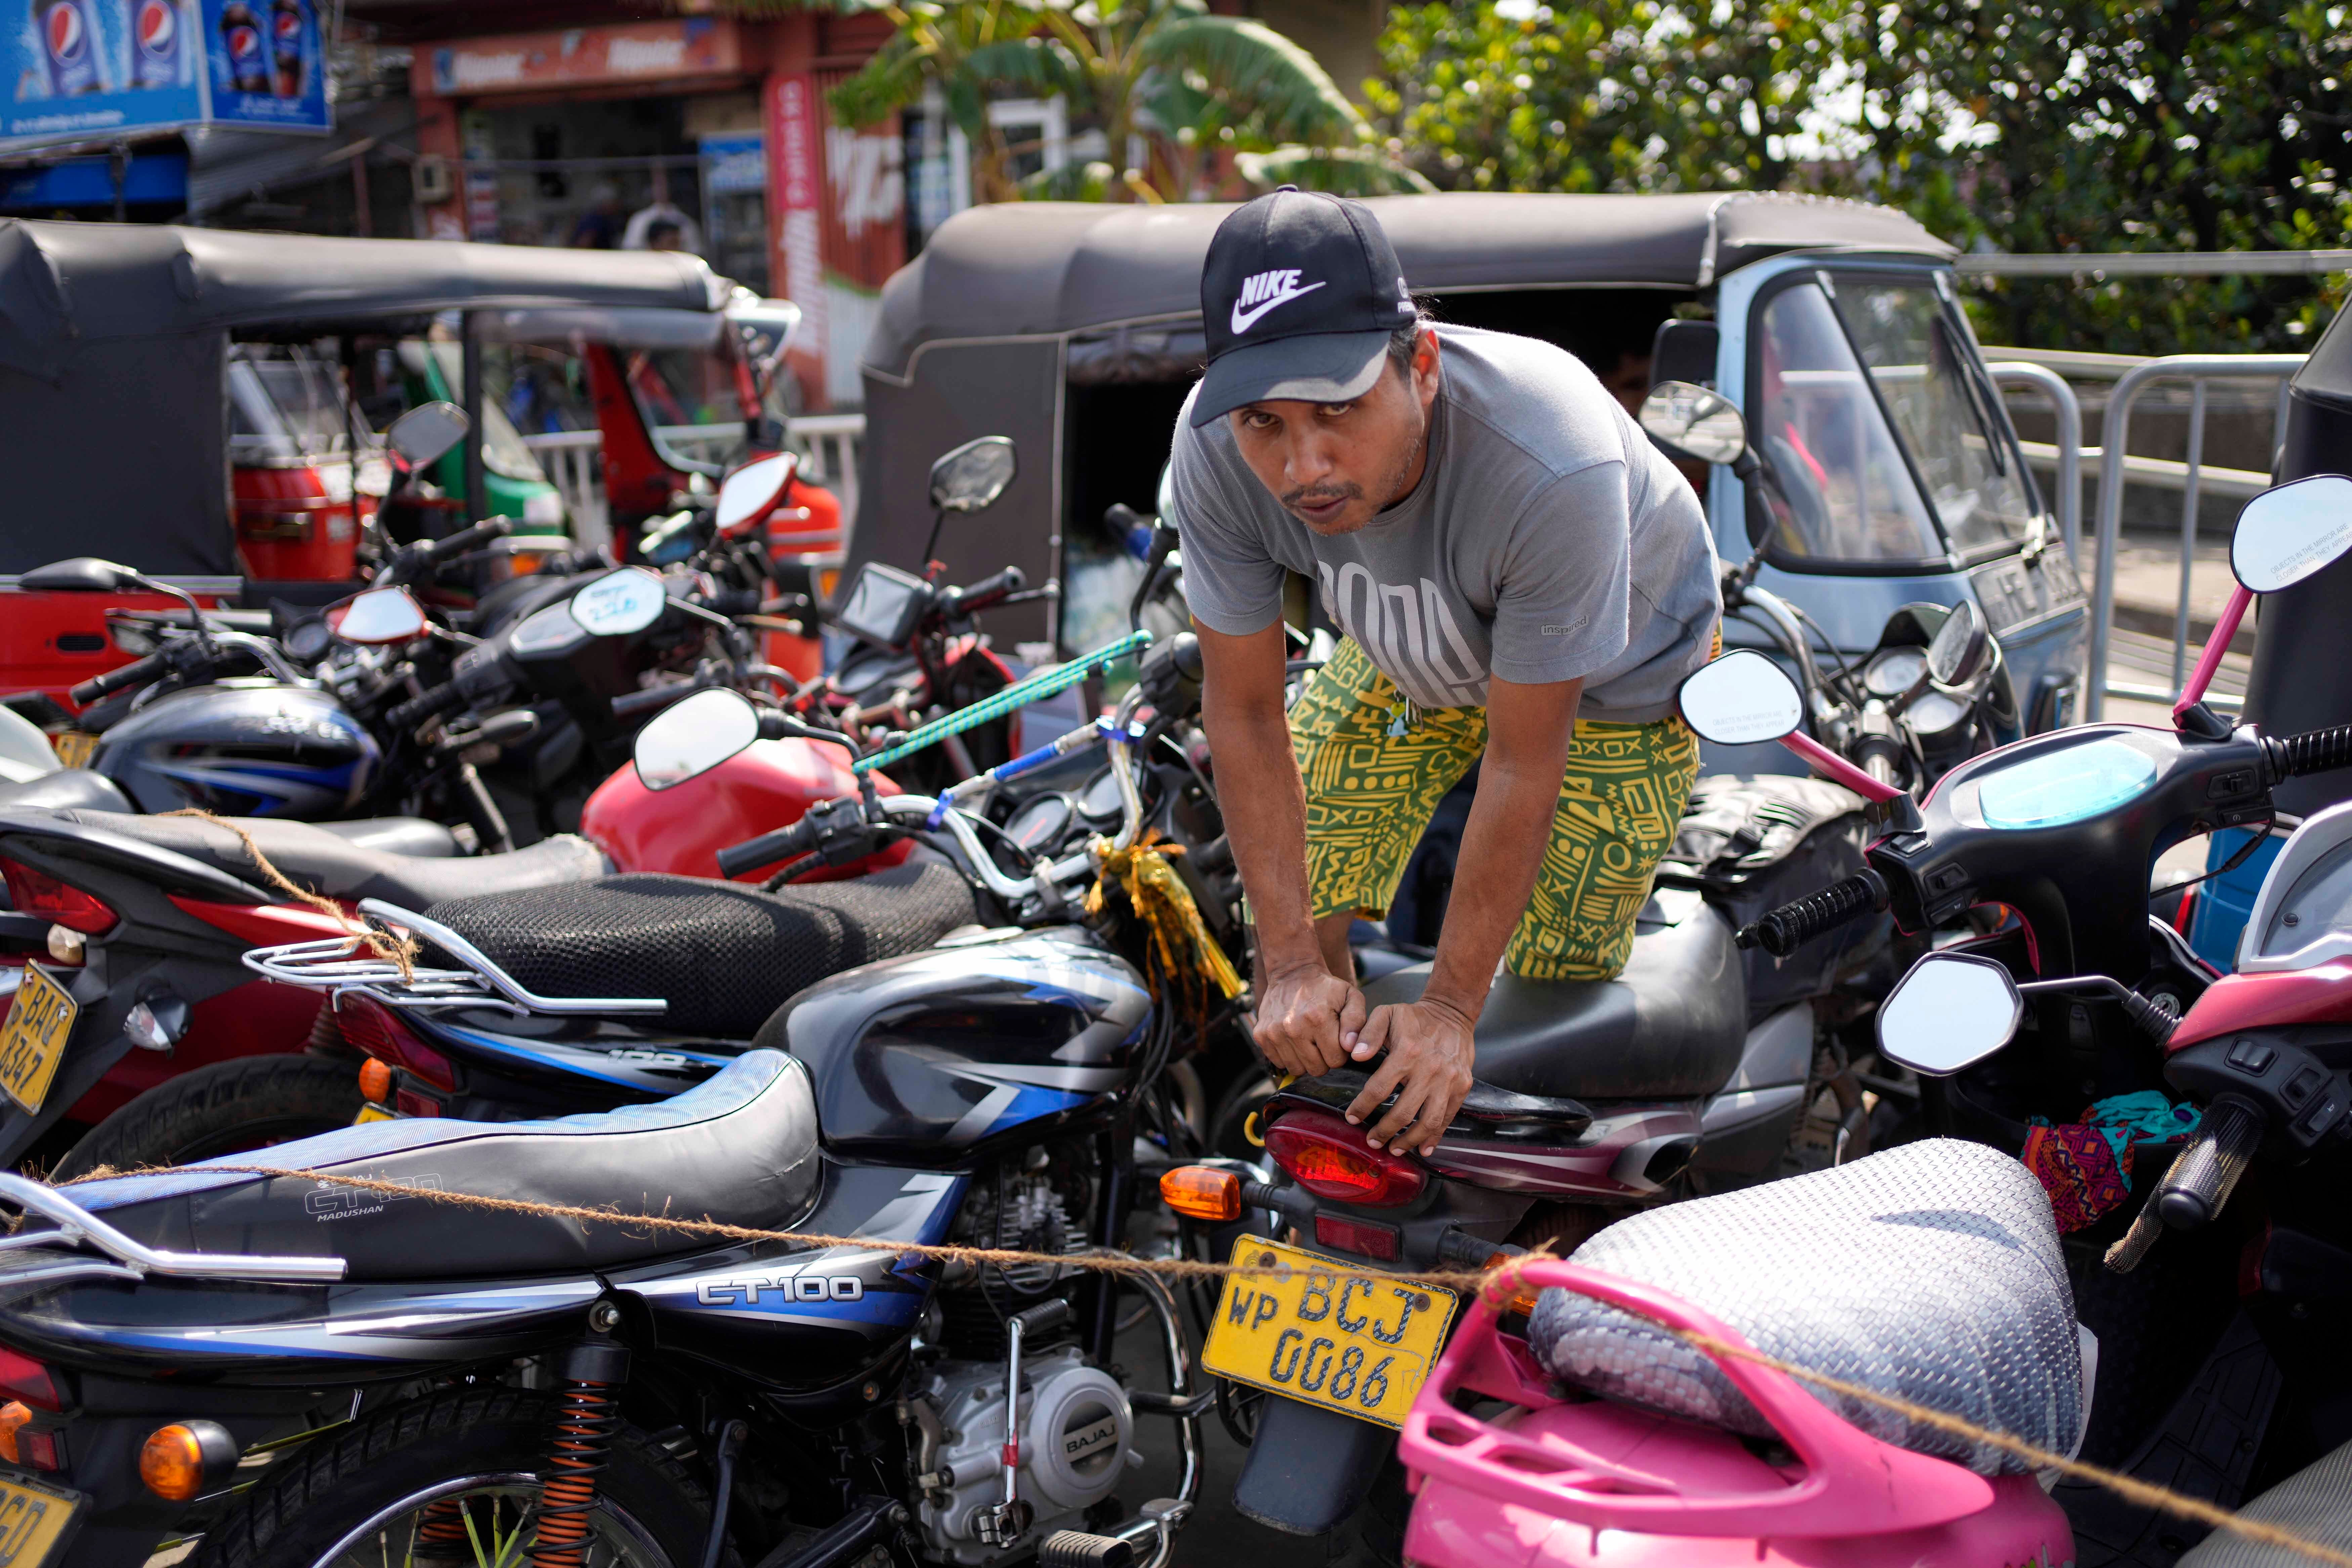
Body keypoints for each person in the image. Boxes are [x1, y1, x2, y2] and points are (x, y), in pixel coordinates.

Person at [1167, 189, 1722, 1156]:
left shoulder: (1551, 457)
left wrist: (1453, 1011)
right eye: (1266, 421)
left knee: (1555, 1000)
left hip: (1609, 688)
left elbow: (1521, 760)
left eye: (1338, 407)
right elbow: (1247, 713)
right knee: (1307, 889)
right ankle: (1342, 1131)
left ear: (1419, 365)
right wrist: (1291, 963)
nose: (1305, 466)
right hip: (1410, 648)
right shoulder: (1214, 444)